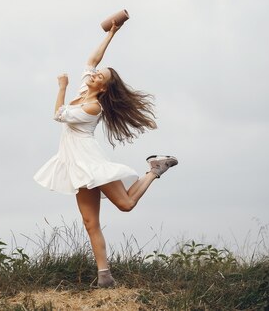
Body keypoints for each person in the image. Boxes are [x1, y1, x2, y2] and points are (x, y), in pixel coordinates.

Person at [33, 20, 178, 288]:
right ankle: (105, 277)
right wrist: (111, 33)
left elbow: (58, 115)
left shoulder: (92, 107)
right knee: (90, 222)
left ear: (103, 88)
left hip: (89, 162)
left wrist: (61, 86)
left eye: (100, 76)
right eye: (97, 73)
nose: (94, 74)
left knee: (125, 205)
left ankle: (154, 170)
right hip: (76, 165)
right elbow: (92, 59)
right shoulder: (84, 91)